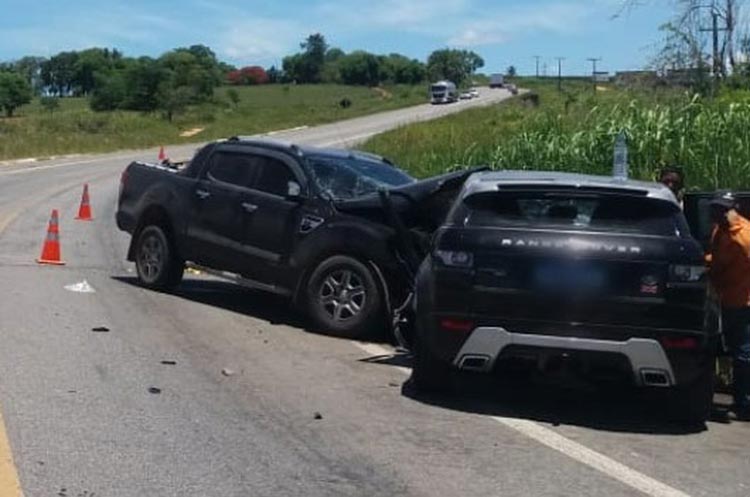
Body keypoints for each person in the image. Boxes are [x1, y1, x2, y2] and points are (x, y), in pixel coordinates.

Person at [707, 190, 750, 420]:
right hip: (724, 298)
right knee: (730, 349)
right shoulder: (720, 230)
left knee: (743, 353)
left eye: (724, 209)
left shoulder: (743, 236)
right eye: (716, 208)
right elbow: (716, 258)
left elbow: (728, 265)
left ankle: (745, 402)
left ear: (735, 209)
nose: (719, 213)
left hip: (742, 300)